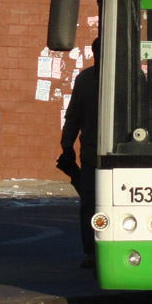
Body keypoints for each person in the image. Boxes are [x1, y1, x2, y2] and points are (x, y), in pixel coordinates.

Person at [58, 38, 99, 269]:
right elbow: (73, 116)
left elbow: (73, 116)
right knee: (89, 202)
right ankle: (92, 249)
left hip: (109, 152)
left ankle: (93, 250)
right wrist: (66, 145)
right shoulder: (85, 79)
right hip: (92, 152)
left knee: (90, 202)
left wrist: (67, 145)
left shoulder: (86, 79)